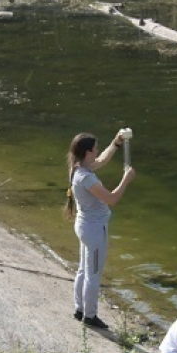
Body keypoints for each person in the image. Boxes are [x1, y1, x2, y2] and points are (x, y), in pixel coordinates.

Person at [64, 130, 136, 330]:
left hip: (84, 226)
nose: (97, 152)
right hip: (95, 230)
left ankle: (79, 309)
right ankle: (90, 315)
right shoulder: (87, 178)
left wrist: (116, 142)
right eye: (95, 149)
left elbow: (102, 160)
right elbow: (112, 199)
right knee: (93, 274)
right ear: (87, 152)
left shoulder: (78, 167)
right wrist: (126, 179)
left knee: (83, 270)